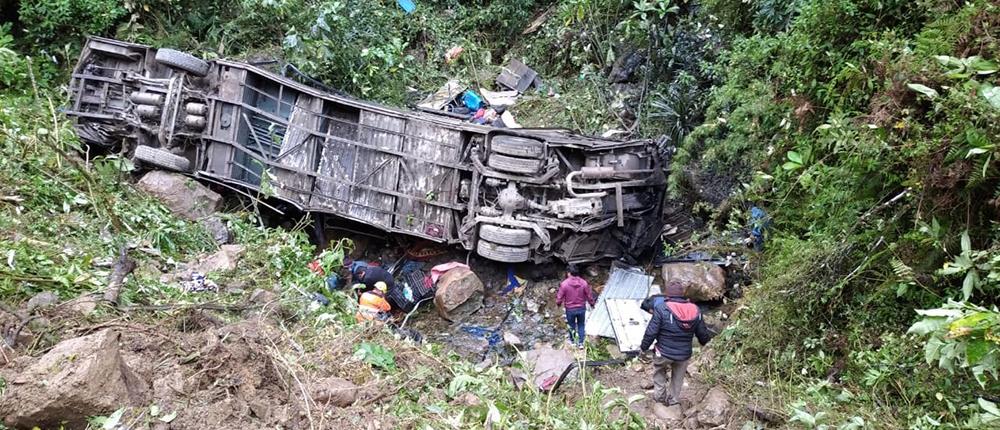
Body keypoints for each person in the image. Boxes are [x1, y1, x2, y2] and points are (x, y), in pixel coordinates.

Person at [639, 280, 713, 406]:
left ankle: (659, 398)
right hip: (684, 355)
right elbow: (703, 334)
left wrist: (643, 347)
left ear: (667, 294)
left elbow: (651, 332)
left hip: (663, 352)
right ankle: (673, 400)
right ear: (683, 293)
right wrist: (706, 344)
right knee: (678, 378)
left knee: (659, 371)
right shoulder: (695, 309)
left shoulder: (662, 308)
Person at [556, 264, 595, 349]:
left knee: (571, 325)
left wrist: (558, 304)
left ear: (569, 273)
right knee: (581, 325)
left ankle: (573, 341)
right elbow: (589, 295)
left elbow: (559, 297)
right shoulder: (584, 283)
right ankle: (581, 343)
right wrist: (592, 304)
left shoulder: (564, 284)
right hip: (581, 308)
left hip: (570, 309)